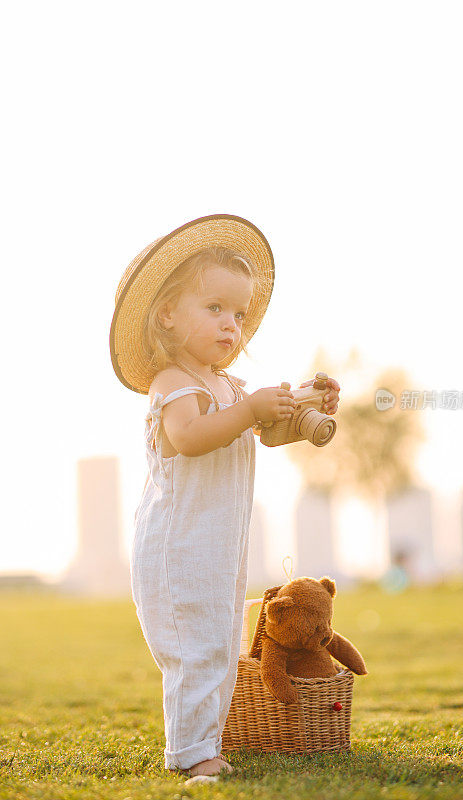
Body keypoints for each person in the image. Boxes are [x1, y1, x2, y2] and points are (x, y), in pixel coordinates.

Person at [109, 215, 340, 779]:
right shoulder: (172, 383)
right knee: (194, 648)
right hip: (177, 549)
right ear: (166, 314)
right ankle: (192, 754)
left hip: (216, 549)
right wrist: (249, 410)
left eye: (239, 315)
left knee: (219, 641)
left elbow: (266, 430)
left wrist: (301, 408)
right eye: (215, 309)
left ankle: (211, 736)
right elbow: (187, 437)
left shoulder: (231, 388)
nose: (231, 325)